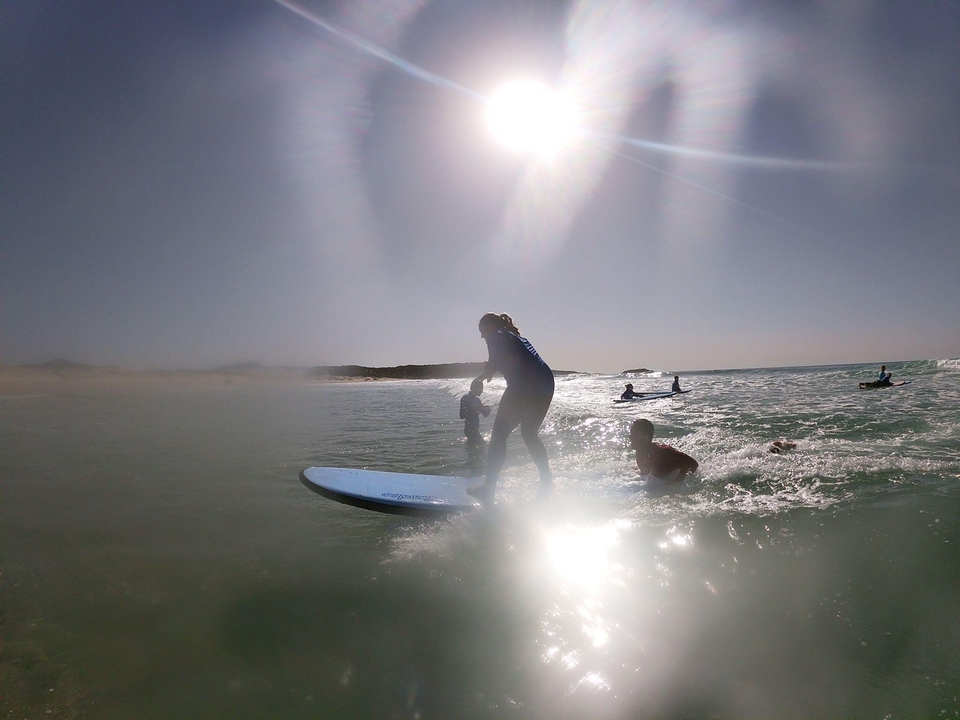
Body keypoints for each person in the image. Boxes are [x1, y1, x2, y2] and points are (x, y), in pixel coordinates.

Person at [467, 313, 554, 503]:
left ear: (489, 326)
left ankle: (488, 489)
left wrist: (483, 375)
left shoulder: (495, 336)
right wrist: (484, 375)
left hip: (524, 386)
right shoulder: (513, 336)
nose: (482, 337)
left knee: (498, 436)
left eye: (482, 331)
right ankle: (547, 480)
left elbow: (495, 362)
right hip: (545, 384)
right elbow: (504, 360)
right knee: (529, 434)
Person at [629, 418, 698, 484]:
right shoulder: (640, 452)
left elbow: (692, 464)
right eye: (631, 434)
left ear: (646, 437)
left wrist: (676, 484)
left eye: (634, 434)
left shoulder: (663, 452)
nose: (630, 437)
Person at [459, 378, 491, 444]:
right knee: (480, 447)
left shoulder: (477, 400)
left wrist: (488, 409)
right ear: (474, 388)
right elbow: (462, 415)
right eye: (481, 389)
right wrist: (477, 409)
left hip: (476, 430)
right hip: (469, 430)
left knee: (481, 447)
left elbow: (485, 414)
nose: (482, 391)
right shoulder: (465, 398)